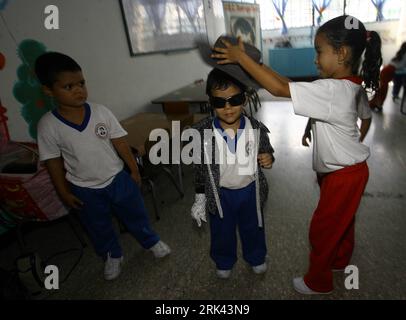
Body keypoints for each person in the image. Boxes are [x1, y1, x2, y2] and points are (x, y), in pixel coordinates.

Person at [211, 15, 382, 294]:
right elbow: (288, 84)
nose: (315, 59)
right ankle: (340, 261)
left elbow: (279, 89)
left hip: (343, 175)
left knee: (323, 229)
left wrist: (242, 58)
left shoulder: (332, 89)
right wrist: (260, 66)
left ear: (341, 54)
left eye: (319, 51)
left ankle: (318, 281)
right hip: (346, 172)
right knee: (343, 221)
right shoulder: (347, 86)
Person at [35, 52, 171, 281]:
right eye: (69, 86)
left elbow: (120, 142)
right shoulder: (48, 125)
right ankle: (112, 255)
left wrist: (134, 169)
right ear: (49, 90)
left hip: (118, 178)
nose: (78, 90)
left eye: (81, 83)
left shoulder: (100, 111)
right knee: (98, 226)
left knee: (136, 214)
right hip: (84, 188)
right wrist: (63, 192)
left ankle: (151, 241)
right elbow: (53, 162)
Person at [190, 67, 275, 279]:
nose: (228, 108)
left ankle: (256, 257)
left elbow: (267, 150)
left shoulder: (256, 129)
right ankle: (224, 260)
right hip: (220, 195)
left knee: (253, 227)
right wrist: (200, 197)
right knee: (221, 231)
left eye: (234, 99)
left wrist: (269, 158)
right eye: (220, 102)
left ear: (244, 99)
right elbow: (200, 168)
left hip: (250, 191)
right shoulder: (203, 133)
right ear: (211, 103)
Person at [369, 42, 406, 111]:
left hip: (387, 69)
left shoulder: (401, 53)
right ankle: (376, 104)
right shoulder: (405, 55)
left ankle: (374, 104)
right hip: (389, 71)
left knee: (381, 89)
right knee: (383, 89)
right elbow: (402, 66)